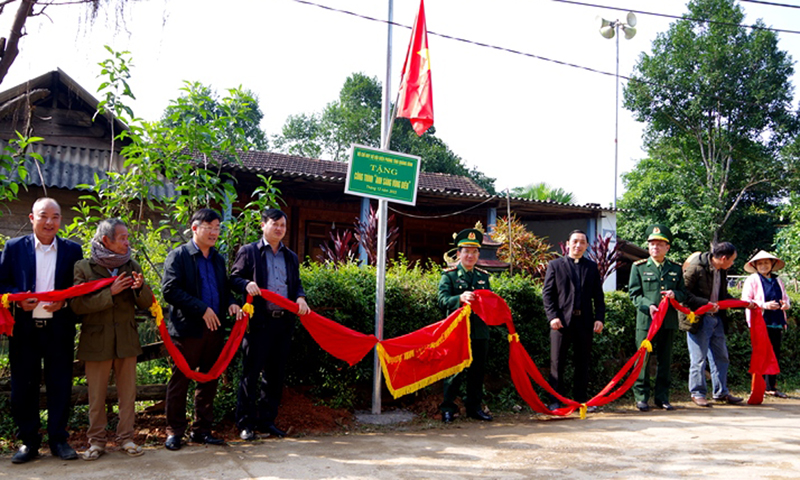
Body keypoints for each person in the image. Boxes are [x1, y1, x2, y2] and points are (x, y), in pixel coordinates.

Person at [0, 197, 83, 463]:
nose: (50, 222)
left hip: (58, 328)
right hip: (24, 329)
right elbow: (2, 284)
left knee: (60, 385)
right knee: (23, 387)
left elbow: (78, 288)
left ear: (61, 219)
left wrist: (66, 301)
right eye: (44, 216)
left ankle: (59, 440)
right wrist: (17, 298)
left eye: (55, 216)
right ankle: (29, 442)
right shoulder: (14, 248)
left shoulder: (72, 251)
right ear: (32, 218)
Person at [70, 219, 153, 460]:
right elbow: (76, 305)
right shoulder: (84, 268)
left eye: (128, 237)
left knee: (128, 395)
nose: (128, 242)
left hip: (126, 339)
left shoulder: (131, 264)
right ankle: (96, 441)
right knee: (96, 396)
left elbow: (147, 302)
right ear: (106, 240)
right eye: (123, 238)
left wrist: (140, 288)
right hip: (96, 341)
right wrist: (110, 293)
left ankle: (126, 438)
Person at [161, 209, 242, 450]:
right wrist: (201, 309)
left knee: (209, 380)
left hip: (215, 330)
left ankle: (202, 430)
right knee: (180, 381)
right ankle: (174, 432)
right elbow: (170, 290)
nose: (215, 232)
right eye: (210, 227)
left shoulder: (217, 258)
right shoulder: (179, 256)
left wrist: (231, 303)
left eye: (218, 227)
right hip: (188, 330)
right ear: (195, 228)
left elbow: (223, 289)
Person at [230, 208, 310, 440]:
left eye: (283, 225)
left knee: (275, 376)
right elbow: (233, 278)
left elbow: (296, 284)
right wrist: (246, 283)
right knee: (250, 374)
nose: (279, 229)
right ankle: (245, 424)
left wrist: (301, 297)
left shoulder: (290, 256)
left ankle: (267, 421)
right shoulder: (249, 252)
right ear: (263, 225)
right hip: (258, 324)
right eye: (275, 224)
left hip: (283, 323)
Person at [680, 242, 750, 407]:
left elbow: (723, 296)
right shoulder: (696, 267)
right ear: (723, 258)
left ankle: (721, 392)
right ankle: (697, 392)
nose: (732, 264)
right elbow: (683, 293)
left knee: (721, 356)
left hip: (716, 318)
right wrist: (705, 303)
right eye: (732, 260)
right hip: (698, 319)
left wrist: (744, 303)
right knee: (698, 358)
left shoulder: (722, 271)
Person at [542, 229, 605, 412]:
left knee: (582, 362)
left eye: (582, 242)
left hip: (584, 322)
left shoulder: (591, 267)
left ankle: (580, 400)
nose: (578, 245)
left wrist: (599, 318)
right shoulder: (555, 265)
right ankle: (555, 399)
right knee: (557, 362)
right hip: (561, 322)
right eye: (575, 241)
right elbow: (547, 294)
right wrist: (552, 316)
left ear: (586, 246)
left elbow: (598, 297)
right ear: (568, 244)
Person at [628, 224, 688, 412]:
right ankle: (641, 398)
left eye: (660, 244)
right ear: (648, 247)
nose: (655, 247)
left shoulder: (675, 269)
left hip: (668, 321)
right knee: (643, 361)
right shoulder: (638, 267)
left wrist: (674, 294)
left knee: (665, 361)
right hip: (647, 322)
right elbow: (634, 294)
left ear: (667, 247)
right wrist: (649, 306)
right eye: (652, 244)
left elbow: (684, 293)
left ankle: (662, 398)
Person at [437, 228, 493, 423]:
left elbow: (489, 303)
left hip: (479, 331)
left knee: (477, 372)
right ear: (458, 254)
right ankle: (448, 408)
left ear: (478, 255)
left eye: (474, 252)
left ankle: (474, 408)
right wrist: (459, 298)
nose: (470, 255)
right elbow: (442, 300)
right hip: (457, 331)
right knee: (454, 371)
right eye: (466, 251)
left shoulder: (483, 276)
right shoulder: (449, 276)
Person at [741, 250, 791, 398]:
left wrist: (785, 305)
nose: (763, 265)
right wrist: (764, 305)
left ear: (772, 264)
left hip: (776, 322)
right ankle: (758, 386)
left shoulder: (778, 280)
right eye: (760, 263)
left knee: (774, 354)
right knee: (760, 354)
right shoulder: (752, 280)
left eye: (766, 263)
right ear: (755, 265)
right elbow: (746, 300)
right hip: (760, 322)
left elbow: (786, 298)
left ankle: (771, 387)